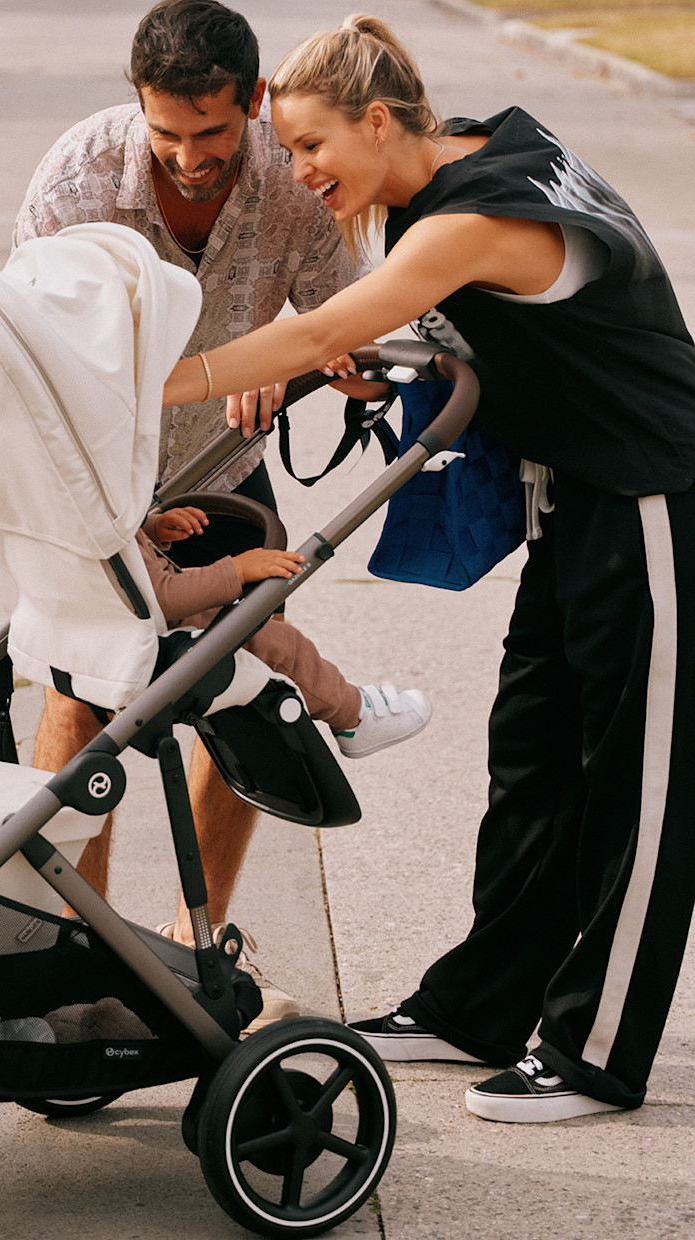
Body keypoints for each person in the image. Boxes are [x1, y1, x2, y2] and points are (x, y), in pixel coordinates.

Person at [163, 13, 695, 1122]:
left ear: (375, 120)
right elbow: (474, 321)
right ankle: (480, 1007)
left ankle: (597, 1051)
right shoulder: (456, 160)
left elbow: (320, 332)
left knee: (640, 788)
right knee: (533, 765)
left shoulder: (471, 214)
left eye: (311, 146)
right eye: (288, 151)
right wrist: (391, 345)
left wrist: (146, 384)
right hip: (576, 494)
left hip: (654, 493)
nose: (298, 172)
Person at [15, 0, 373, 1027]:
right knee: (83, 697)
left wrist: (302, 363)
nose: (187, 156)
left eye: (211, 131)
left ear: (251, 102)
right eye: (166, 132)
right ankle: (74, 946)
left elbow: (350, 330)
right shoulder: (78, 181)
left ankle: (197, 935)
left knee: (235, 688)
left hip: (221, 467)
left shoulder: (296, 182)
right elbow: (21, 355)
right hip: (98, 481)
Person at [141, 504, 432, 755]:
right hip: (155, 627)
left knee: (250, 612)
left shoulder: (111, 512)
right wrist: (238, 569)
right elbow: (162, 596)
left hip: (130, 611)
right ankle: (352, 715)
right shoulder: (110, 504)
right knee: (280, 643)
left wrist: (152, 528)